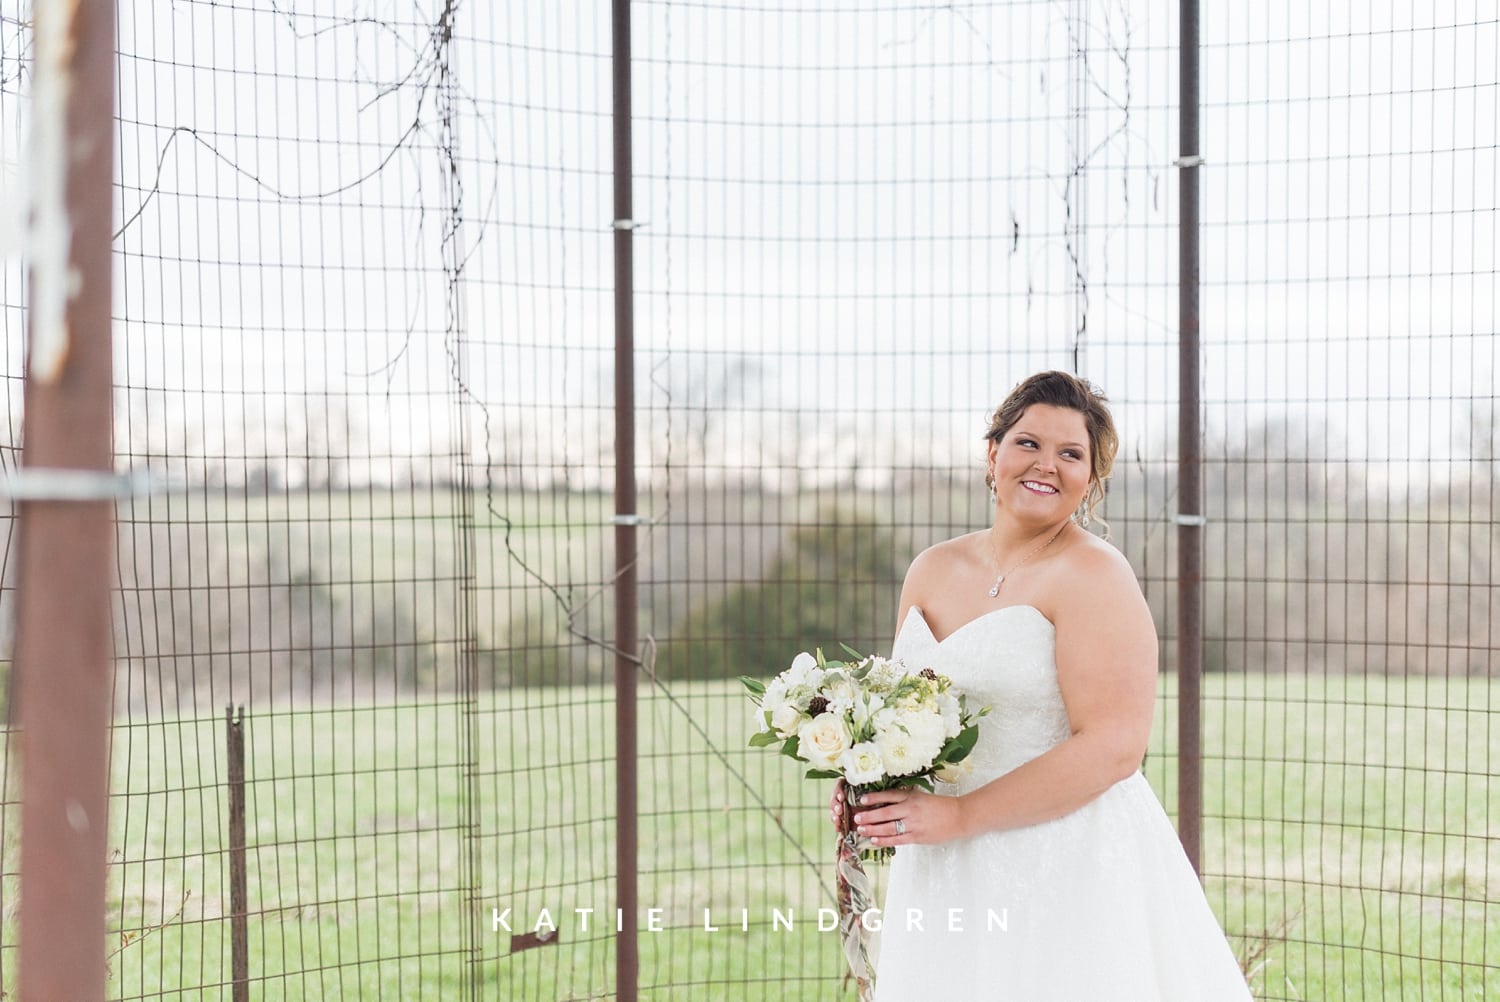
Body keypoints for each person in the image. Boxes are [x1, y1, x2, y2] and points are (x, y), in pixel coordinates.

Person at [829, 371, 1252, 1000]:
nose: (1045, 465)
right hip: (943, 860)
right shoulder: (931, 569)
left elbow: (1114, 746)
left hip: (1062, 858)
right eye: (1028, 443)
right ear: (993, 451)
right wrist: (871, 785)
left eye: (1071, 454)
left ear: (1091, 479)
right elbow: (907, 715)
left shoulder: (1094, 576)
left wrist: (963, 814)